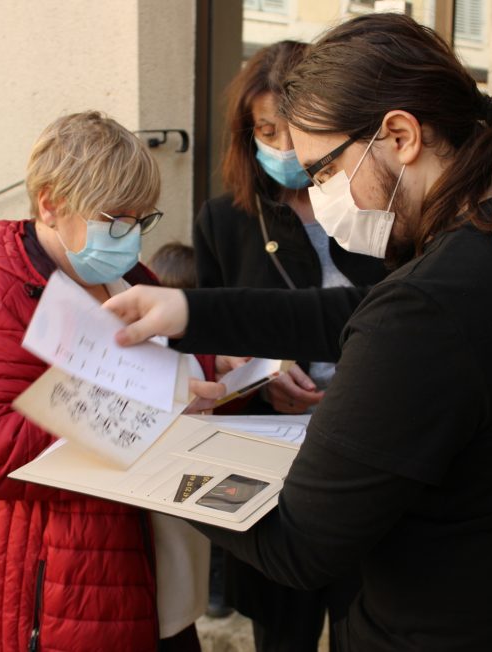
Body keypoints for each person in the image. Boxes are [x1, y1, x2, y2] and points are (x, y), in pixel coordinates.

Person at [104, 13, 492, 652]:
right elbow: (371, 316)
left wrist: (149, 447)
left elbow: (299, 544)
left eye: (323, 171)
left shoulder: (436, 307)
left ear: (399, 134)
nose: (318, 200)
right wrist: (191, 313)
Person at [0, 111, 226, 651]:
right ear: (50, 203)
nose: (131, 235)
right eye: (116, 219)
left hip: (147, 568)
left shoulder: (129, 277)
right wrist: (147, 413)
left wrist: (211, 366)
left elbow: (170, 363)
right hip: (59, 591)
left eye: (142, 220)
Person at [193, 40, 387, 649]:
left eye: (293, 130)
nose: (280, 148)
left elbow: (400, 319)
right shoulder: (225, 221)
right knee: (283, 629)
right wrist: (265, 371)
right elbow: (216, 338)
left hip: (368, 448)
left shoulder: (375, 207)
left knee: (370, 617)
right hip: (272, 459)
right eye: (264, 130)